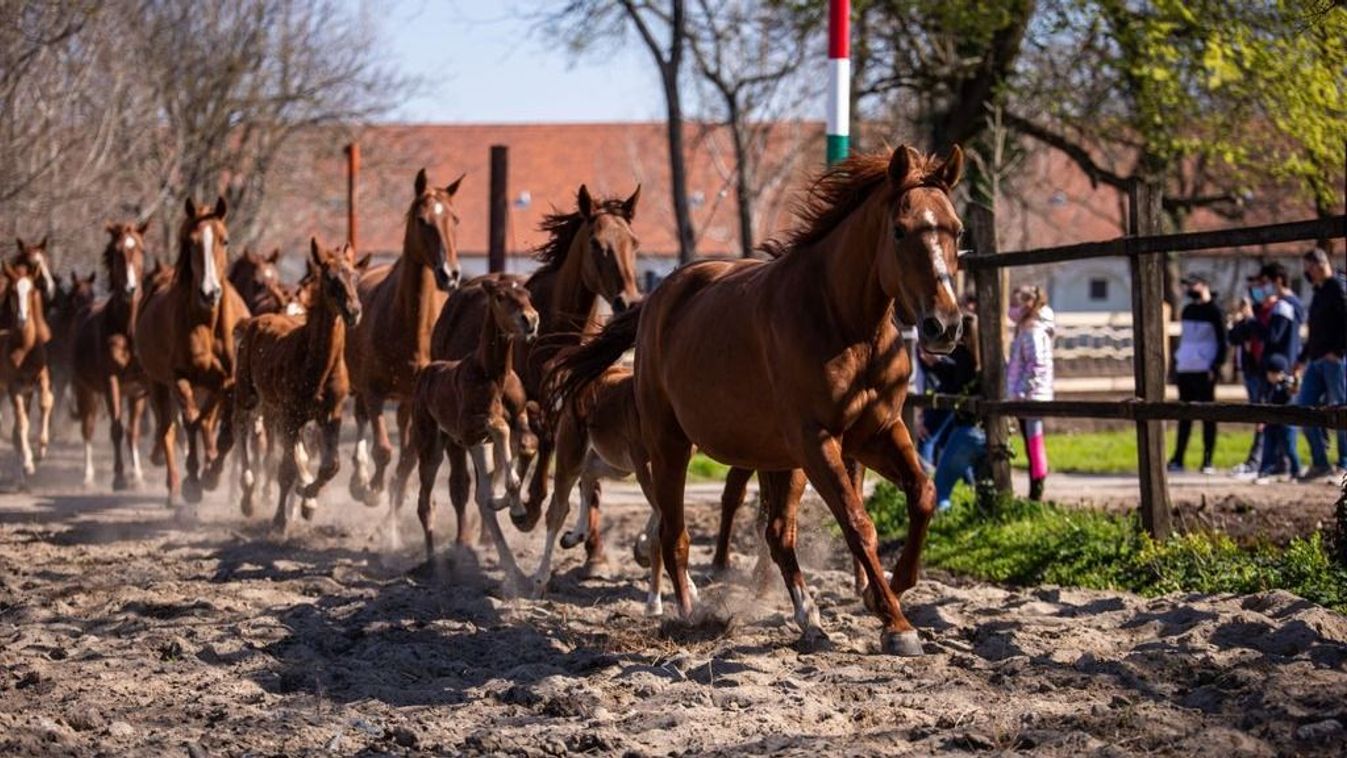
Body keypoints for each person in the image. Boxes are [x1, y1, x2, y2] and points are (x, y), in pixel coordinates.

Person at [1240, 264, 1302, 481]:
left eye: (1265, 282)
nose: (1262, 288)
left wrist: (1251, 320)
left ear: (1276, 280)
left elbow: (1274, 337)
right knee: (1276, 422)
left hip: (1279, 370)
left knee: (1280, 423)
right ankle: (1279, 466)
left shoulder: (1285, 306)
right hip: (1277, 368)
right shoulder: (1285, 305)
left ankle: (1284, 467)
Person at [1295, 248, 1347, 482]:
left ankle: (1344, 464)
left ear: (1318, 265)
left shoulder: (1338, 286)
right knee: (1304, 409)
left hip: (1335, 361)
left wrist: (1338, 352)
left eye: (1308, 268)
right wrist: (1301, 358)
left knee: (1341, 410)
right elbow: (1315, 330)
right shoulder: (1319, 291)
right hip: (1316, 361)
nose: (1306, 273)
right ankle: (1320, 462)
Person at [1168, 273, 1226, 473]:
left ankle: (1208, 459)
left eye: (1192, 285)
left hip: (1204, 369)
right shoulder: (1188, 310)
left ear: (1204, 285)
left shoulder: (1215, 311)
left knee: (1207, 415)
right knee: (1184, 415)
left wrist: (1216, 367)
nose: (1189, 290)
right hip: (1186, 368)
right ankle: (1178, 458)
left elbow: (1222, 342)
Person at [1006, 284, 1054, 501]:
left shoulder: (1033, 332)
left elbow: (1036, 364)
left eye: (1016, 305)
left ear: (1028, 305)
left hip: (1031, 396)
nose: (1012, 310)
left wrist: (1022, 391)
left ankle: (1037, 490)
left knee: (1034, 444)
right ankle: (1035, 488)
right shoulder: (1025, 330)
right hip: (1026, 395)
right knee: (1030, 442)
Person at [931, 314, 984, 511]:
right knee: (984, 488)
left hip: (966, 430)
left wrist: (935, 365)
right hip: (988, 432)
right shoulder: (988, 357)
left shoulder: (962, 355)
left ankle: (940, 528)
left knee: (940, 490)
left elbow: (955, 386)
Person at [1228, 295, 1264, 475]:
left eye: (1244, 305)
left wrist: (1246, 318)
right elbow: (1233, 337)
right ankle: (1258, 460)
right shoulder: (1243, 324)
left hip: (1257, 372)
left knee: (1261, 418)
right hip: (1248, 372)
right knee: (1257, 416)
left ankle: (1257, 461)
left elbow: (1246, 333)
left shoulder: (1254, 323)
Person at [1258, 354, 1301, 484]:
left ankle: (1296, 472)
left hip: (1287, 422)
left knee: (1290, 448)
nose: (1270, 376)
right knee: (1268, 448)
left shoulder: (1286, 384)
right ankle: (1264, 472)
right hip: (1271, 421)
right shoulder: (1267, 386)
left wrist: (1294, 381)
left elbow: (1293, 390)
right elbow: (1265, 402)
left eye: (1273, 374)